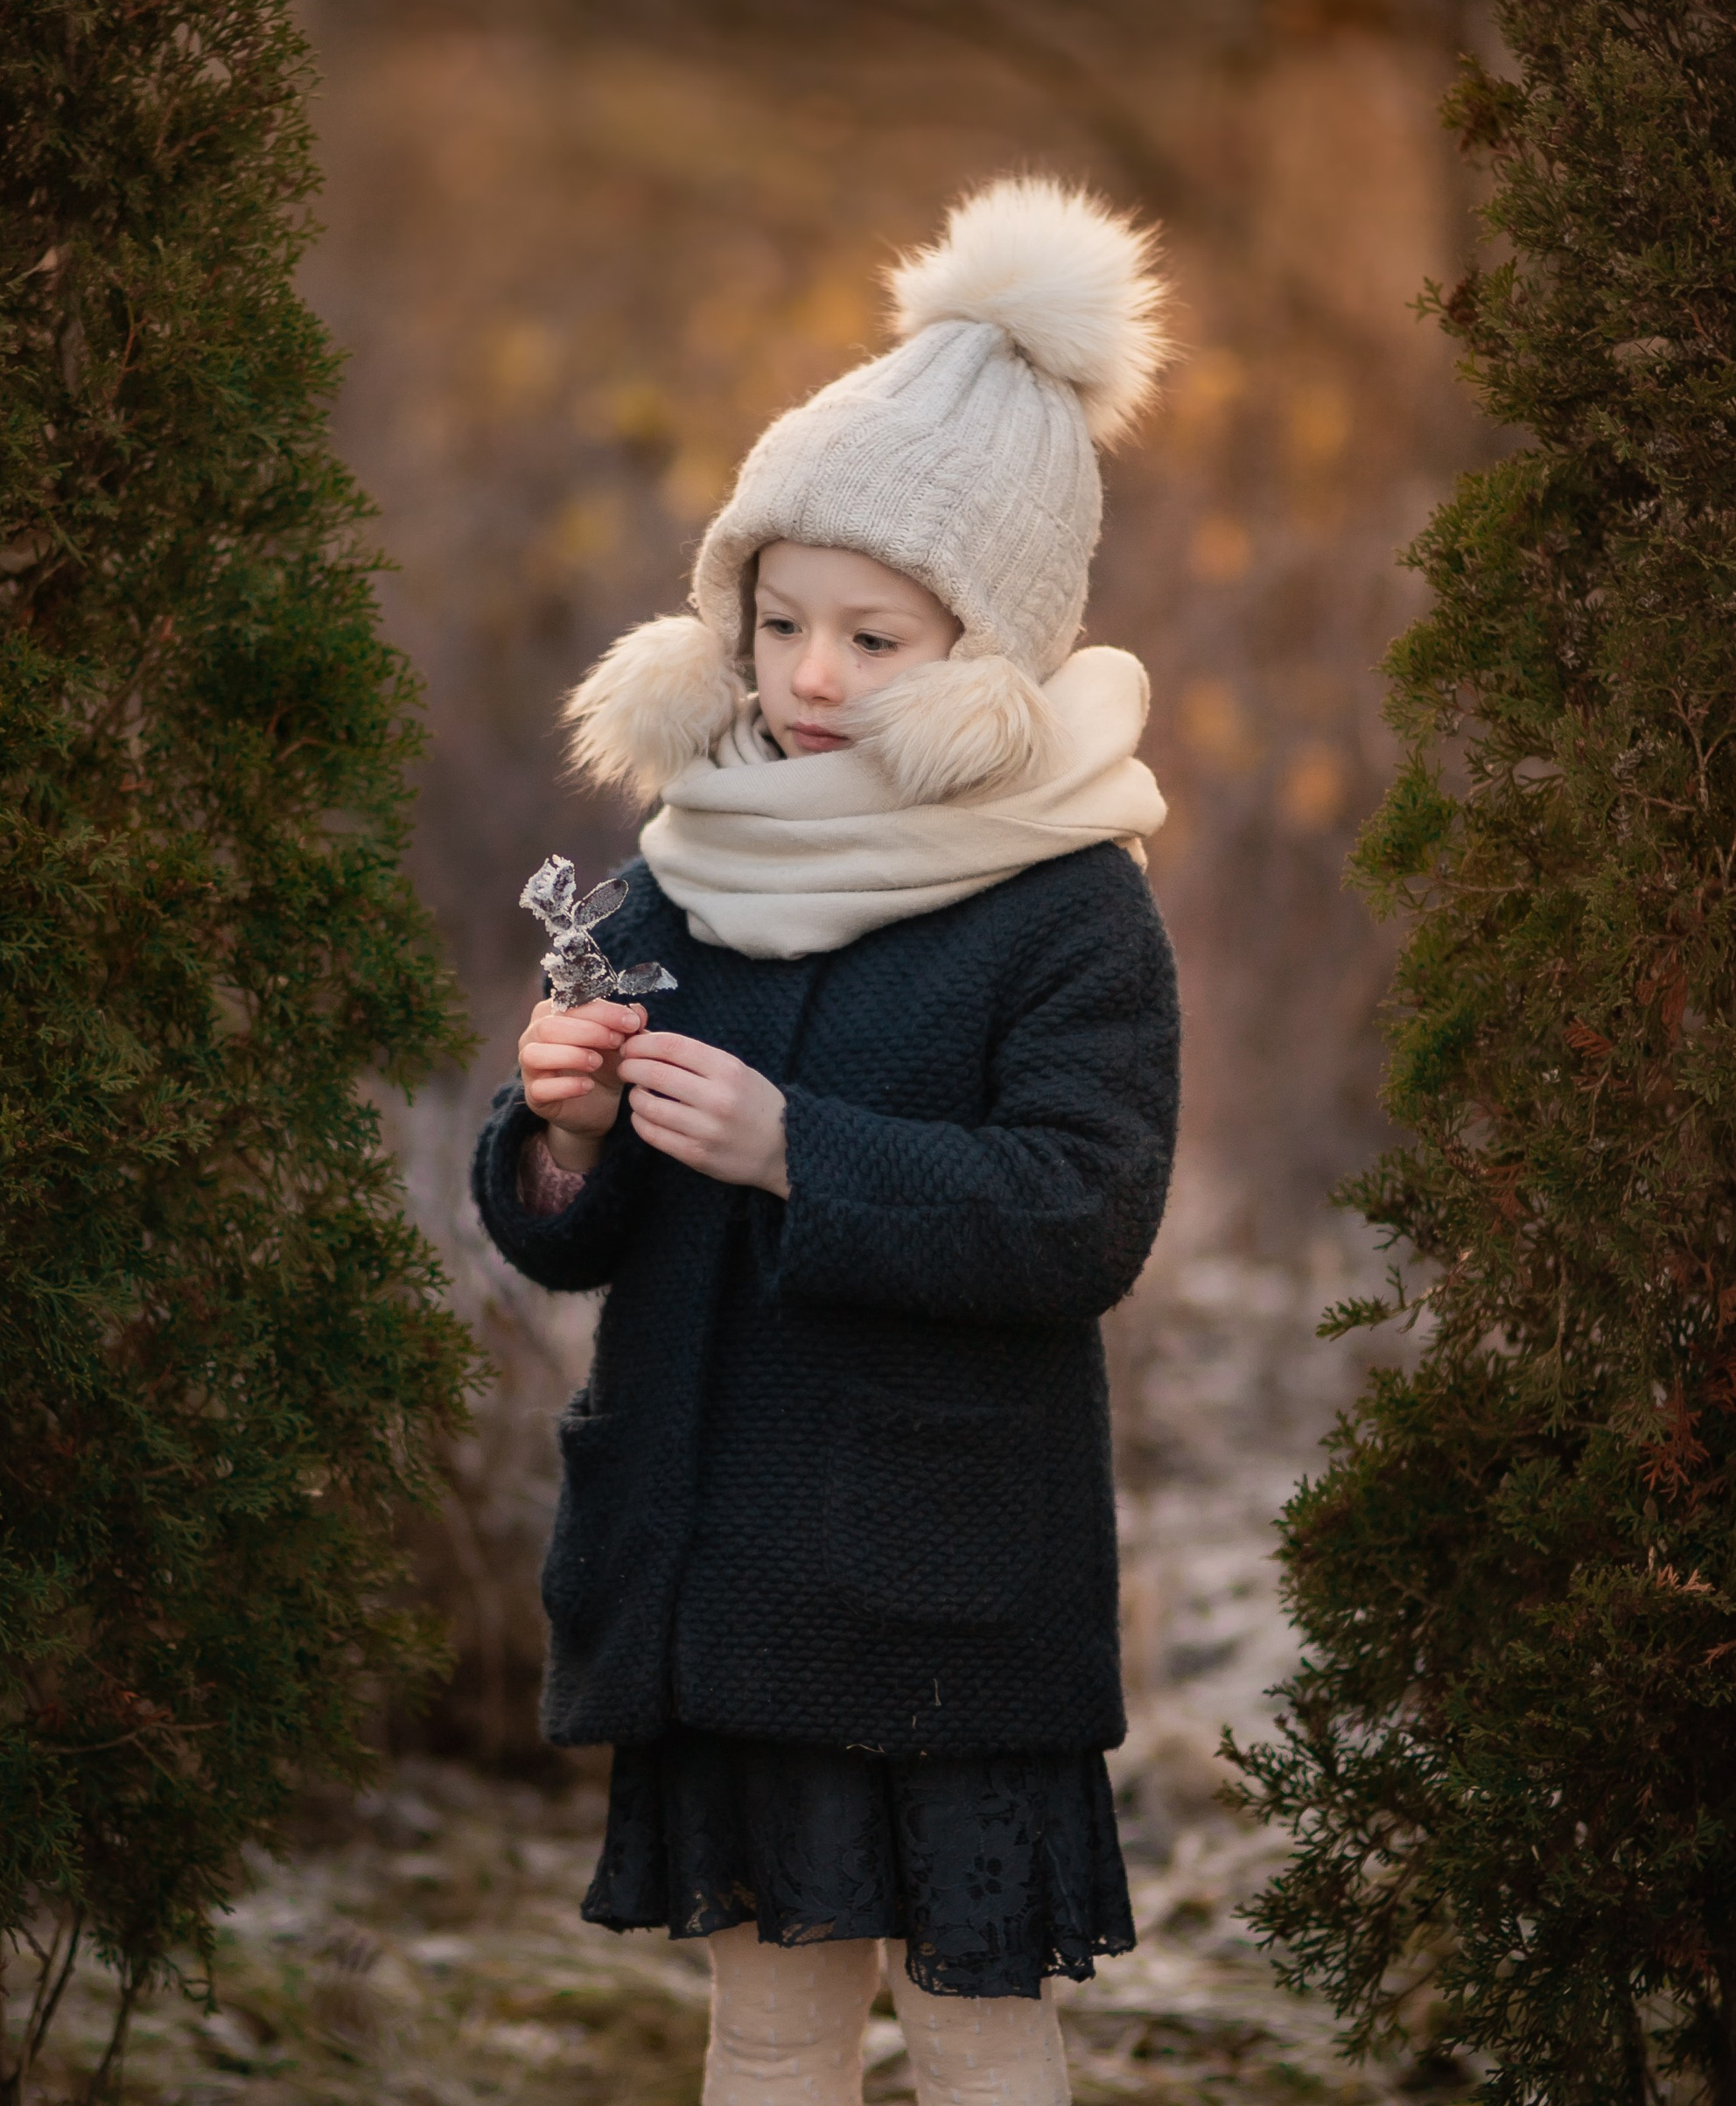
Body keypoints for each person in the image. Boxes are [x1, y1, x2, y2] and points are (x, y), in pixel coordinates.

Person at [472, 177, 1181, 2106]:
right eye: (778, 617)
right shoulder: (684, 862)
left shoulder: (1060, 901)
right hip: (719, 1549)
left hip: (944, 1569)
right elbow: (568, 1229)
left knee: (969, 2022)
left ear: (982, 648)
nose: (803, 676)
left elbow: (1083, 1210)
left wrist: (805, 1149)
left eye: (871, 636)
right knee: (769, 2018)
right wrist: (560, 1129)